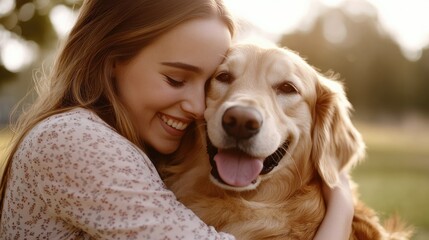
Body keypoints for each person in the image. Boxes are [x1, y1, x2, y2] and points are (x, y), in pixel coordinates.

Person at [0, 0, 354, 239]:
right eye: (175, 79)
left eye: (208, 81)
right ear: (111, 62)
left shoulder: (143, 148)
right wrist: (341, 208)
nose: (201, 108)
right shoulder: (75, 141)